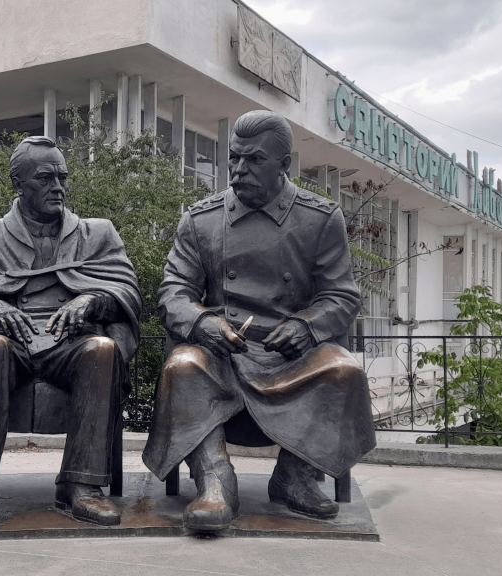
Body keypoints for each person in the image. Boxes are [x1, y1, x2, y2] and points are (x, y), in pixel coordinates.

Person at [142, 110, 376, 530]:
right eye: (233, 158)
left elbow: (340, 295)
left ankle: (296, 477)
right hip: (223, 354)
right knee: (183, 366)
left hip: (290, 358)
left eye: (253, 160)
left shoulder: (320, 218)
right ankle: (215, 482)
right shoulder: (201, 220)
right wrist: (202, 324)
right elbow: (173, 291)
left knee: (343, 370)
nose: (238, 170)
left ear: (284, 164)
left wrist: (307, 326)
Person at [0, 136, 142, 532]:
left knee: (103, 348)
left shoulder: (97, 233)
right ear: (18, 184)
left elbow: (127, 290)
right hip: (11, 344)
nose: (58, 187)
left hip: (70, 343)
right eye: (45, 178)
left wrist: (93, 299)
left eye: (62, 177)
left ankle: (82, 487)